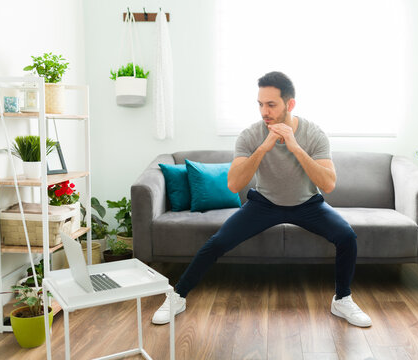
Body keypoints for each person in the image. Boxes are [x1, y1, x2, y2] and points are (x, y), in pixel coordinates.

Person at [152, 71, 371, 327]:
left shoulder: (314, 134)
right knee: (218, 242)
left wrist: (295, 147)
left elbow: (328, 184)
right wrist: (264, 147)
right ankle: (177, 296)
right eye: (260, 104)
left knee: (346, 236)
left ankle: (342, 299)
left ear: (290, 105)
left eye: (271, 104)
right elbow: (234, 183)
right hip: (264, 204)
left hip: (308, 204)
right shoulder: (250, 135)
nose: (264, 111)